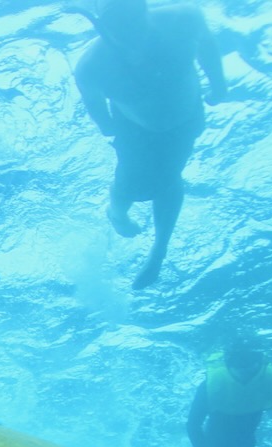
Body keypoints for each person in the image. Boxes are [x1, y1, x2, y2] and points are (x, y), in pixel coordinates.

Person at [74, 0, 227, 289]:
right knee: (129, 185)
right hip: (135, 129)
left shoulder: (183, 19)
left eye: (136, 26)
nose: (133, 41)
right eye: (121, 33)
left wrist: (219, 84)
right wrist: (112, 128)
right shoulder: (92, 66)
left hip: (186, 119)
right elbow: (95, 107)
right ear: (103, 28)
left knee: (169, 178)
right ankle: (117, 213)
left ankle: (159, 249)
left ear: (146, 10)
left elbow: (206, 44)